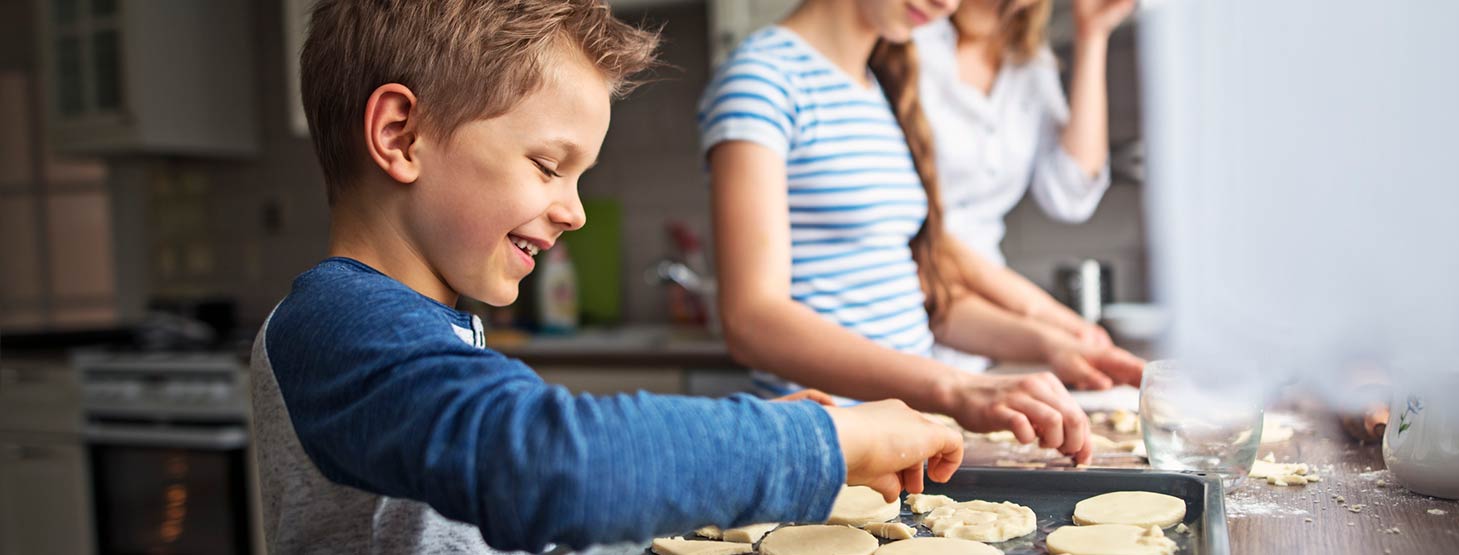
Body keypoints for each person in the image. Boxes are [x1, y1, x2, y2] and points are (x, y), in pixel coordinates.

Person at [251, 1, 963, 553]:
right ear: (400, 135)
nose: (575, 212)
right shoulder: (338, 324)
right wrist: (825, 439)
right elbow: (549, 461)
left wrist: (777, 433)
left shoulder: (417, 325)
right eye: (547, 164)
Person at [700, 0, 1115, 463]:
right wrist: (956, 387)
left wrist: (1050, 345)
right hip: (826, 444)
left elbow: (920, 297)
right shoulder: (762, 77)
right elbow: (752, 322)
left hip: (901, 443)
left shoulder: (874, 86)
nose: (947, 5)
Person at [913, 0, 1145, 385]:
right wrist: (1043, 316)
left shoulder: (1029, 61)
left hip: (976, 329)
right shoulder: (908, 36)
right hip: (913, 307)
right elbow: (919, 236)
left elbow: (1071, 194)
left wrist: (1092, 35)